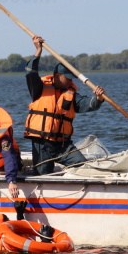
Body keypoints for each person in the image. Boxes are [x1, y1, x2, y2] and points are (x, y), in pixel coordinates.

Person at [24, 35, 105, 174]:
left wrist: (98, 98)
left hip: (63, 145)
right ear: (56, 76)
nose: (69, 81)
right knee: (43, 174)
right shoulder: (39, 88)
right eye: (67, 78)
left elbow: (88, 104)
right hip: (42, 143)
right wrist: (38, 51)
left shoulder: (71, 93)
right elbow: (30, 73)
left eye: (71, 79)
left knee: (82, 166)